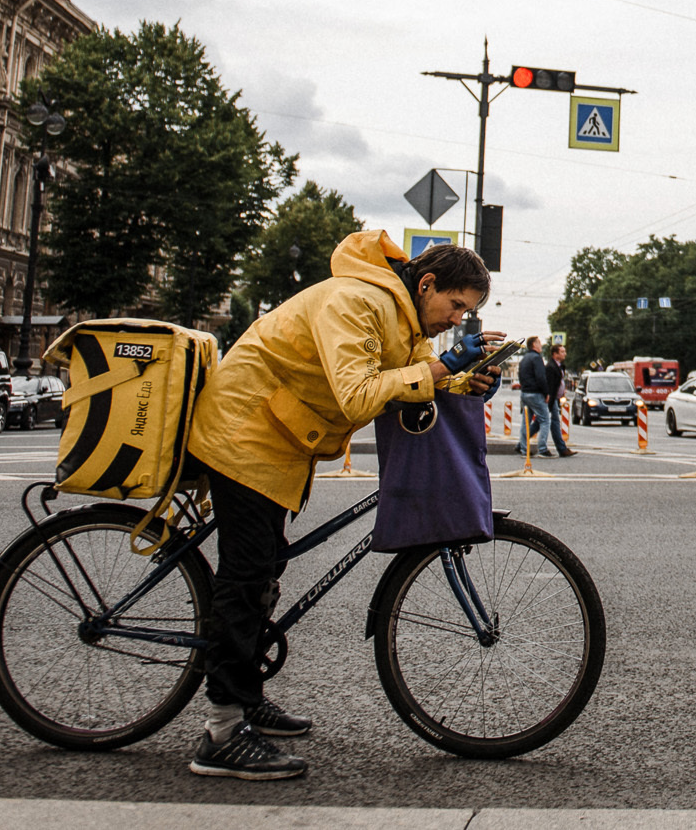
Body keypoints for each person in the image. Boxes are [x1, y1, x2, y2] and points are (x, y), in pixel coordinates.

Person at [185, 233, 498, 780]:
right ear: (426, 285)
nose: (456, 320)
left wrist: (471, 380)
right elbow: (358, 393)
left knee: (265, 572)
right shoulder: (357, 301)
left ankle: (247, 700)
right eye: (456, 306)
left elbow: (420, 379)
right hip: (244, 430)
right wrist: (443, 366)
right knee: (248, 571)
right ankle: (222, 730)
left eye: (467, 313)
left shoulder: (404, 318)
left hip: (277, 437)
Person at [517, 338, 551, 453]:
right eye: (539, 343)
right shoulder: (537, 358)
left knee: (525, 421)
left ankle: (523, 448)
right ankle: (542, 449)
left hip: (525, 393)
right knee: (545, 420)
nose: (541, 345)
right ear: (534, 345)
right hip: (536, 393)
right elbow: (541, 377)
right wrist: (546, 392)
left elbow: (520, 375)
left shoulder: (524, 359)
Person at [543, 342, 573, 457]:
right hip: (552, 399)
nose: (565, 354)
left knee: (542, 422)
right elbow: (551, 386)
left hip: (555, 399)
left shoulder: (559, 366)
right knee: (553, 422)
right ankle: (562, 448)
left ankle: (522, 444)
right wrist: (550, 400)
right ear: (555, 354)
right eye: (562, 352)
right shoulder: (551, 367)